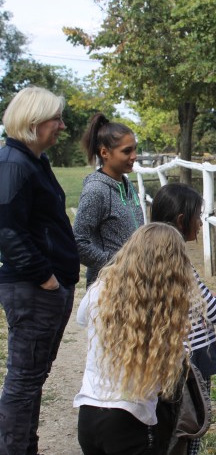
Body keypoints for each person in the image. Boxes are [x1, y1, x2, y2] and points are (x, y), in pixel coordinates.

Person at [0, 86, 80, 455]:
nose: (61, 126)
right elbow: (6, 229)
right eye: (56, 119)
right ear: (34, 123)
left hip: (49, 287)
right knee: (23, 382)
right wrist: (44, 276)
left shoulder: (33, 162)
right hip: (35, 289)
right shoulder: (14, 165)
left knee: (33, 378)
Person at [73, 223, 200, 454]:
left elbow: (82, 320)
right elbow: (170, 374)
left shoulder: (100, 288)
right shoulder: (165, 308)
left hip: (89, 414)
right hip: (130, 419)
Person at [151, 183, 216, 454]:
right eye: (198, 216)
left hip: (163, 361)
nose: (201, 222)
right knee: (190, 426)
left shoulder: (150, 257)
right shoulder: (181, 264)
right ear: (182, 221)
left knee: (166, 430)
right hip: (191, 364)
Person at [73, 112, 144, 287]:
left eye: (135, 148)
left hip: (134, 283)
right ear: (105, 152)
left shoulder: (127, 185)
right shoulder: (96, 190)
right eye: (127, 151)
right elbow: (78, 242)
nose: (134, 155)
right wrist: (116, 265)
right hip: (109, 288)